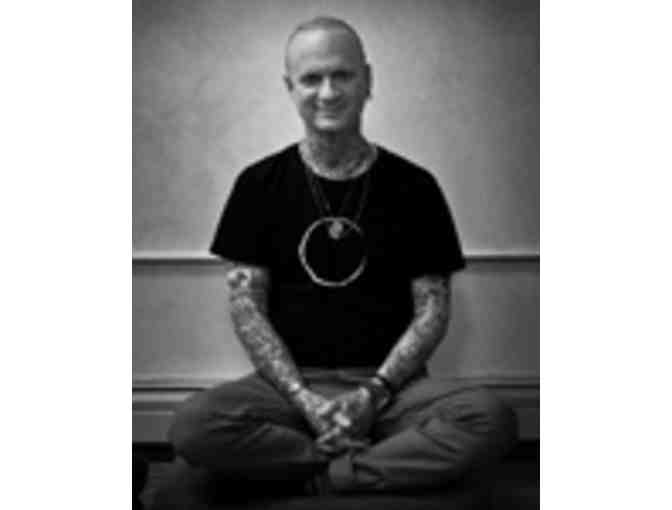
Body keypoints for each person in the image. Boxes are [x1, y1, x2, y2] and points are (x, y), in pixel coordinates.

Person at [168, 16, 517, 496]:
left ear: (367, 81)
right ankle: (361, 464)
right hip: (287, 391)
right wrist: (303, 398)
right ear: (290, 88)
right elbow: (247, 309)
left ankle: (318, 470)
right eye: (312, 78)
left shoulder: (415, 186)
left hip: (393, 392)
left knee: (490, 419)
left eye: (342, 75)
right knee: (193, 425)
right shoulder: (258, 184)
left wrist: (373, 394)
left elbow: (433, 310)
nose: (328, 93)